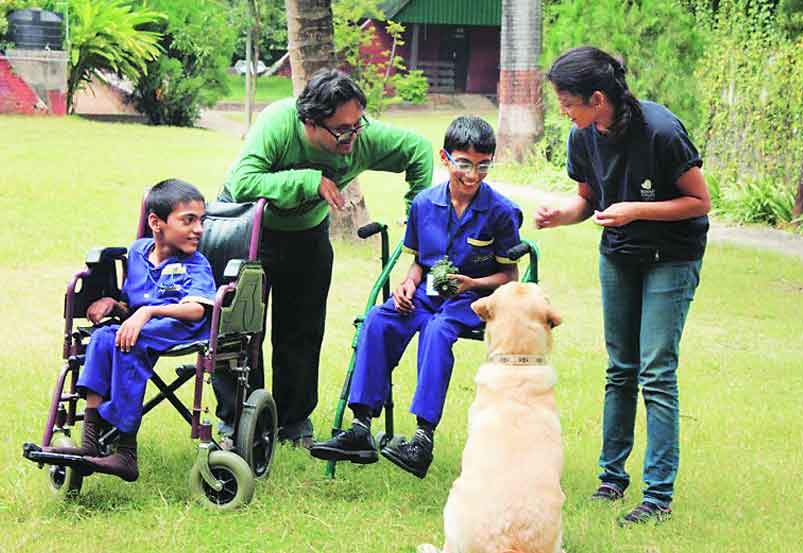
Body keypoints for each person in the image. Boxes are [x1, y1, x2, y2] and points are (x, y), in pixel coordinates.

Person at [535, 46, 711, 524]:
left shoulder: (661, 130)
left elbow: (700, 201)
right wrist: (560, 216)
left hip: (672, 256)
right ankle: (611, 478)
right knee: (620, 368)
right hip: (619, 255)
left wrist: (636, 209)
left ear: (597, 97)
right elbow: (587, 202)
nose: (564, 112)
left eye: (568, 103)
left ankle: (657, 496)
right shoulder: (583, 136)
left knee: (655, 370)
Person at [215, 68, 433, 448]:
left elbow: (419, 150)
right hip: (247, 227)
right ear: (310, 123)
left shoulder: (360, 137)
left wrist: (416, 211)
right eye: (341, 130)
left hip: (306, 233)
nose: (352, 137)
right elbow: (243, 182)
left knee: (302, 329)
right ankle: (237, 421)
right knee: (239, 329)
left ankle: (293, 421)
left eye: (357, 125)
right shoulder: (278, 124)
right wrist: (309, 180)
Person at [309, 116, 523, 479]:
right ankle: (361, 428)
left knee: (438, 331)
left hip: (469, 301)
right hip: (427, 294)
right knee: (378, 319)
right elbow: (417, 263)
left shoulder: (501, 211)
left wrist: (472, 283)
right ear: (445, 158)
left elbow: (510, 275)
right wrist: (407, 285)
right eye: (464, 164)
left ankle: (422, 439)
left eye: (483, 166)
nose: (473, 175)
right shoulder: (424, 203)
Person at [45, 179, 216, 481]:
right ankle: (89, 443)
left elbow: (197, 310)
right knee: (101, 337)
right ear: (156, 222)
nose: (198, 229)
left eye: (201, 221)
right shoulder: (138, 252)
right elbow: (131, 302)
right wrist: (114, 303)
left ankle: (125, 452)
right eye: (188, 220)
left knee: (129, 338)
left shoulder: (196, 263)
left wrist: (147, 312)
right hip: (141, 326)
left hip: (181, 327)